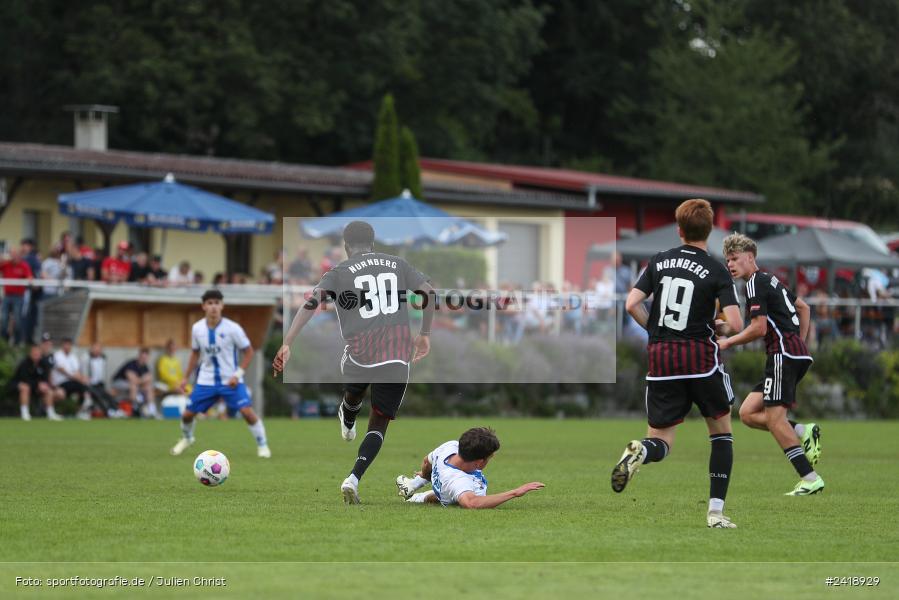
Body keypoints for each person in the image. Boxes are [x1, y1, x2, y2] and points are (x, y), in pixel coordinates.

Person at [273, 221, 436, 504]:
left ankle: (348, 412)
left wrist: (288, 341)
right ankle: (353, 478)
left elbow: (312, 302)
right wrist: (424, 334)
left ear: (346, 247)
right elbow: (430, 294)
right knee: (379, 422)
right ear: (372, 244)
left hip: (360, 354)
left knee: (356, 389)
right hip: (397, 355)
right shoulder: (398, 263)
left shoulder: (339, 271)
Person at [610, 199, 745, 529]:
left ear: (679, 230)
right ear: (709, 230)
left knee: (661, 441)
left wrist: (654, 330)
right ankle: (715, 513)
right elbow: (738, 324)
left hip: (662, 359)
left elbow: (631, 304)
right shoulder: (716, 269)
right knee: (721, 434)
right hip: (700, 361)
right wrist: (720, 325)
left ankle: (641, 450)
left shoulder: (658, 261)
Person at [720, 233, 823, 496]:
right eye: (727, 260)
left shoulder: (755, 282)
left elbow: (758, 328)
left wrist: (728, 342)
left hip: (783, 355)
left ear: (750, 257)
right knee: (747, 412)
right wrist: (798, 344)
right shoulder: (771, 280)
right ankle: (803, 430)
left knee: (776, 421)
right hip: (791, 354)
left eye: (734, 258)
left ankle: (810, 478)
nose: (730, 264)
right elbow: (804, 309)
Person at [170, 289, 270, 458]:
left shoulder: (233, 328)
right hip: (206, 380)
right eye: (210, 303)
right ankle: (187, 438)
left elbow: (249, 351)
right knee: (187, 414)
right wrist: (185, 378)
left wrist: (237, 375)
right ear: (203, 306)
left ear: (222, 306)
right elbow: (195, 353)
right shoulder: (197, 328)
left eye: (217, 303)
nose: (213, 307)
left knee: (247, 412)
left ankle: (263, 445)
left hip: (230, 380)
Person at [395, 427, 544, 508]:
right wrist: (515, 492)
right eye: (490, 457)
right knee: (457, 496)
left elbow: (427, 462)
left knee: (442, 491)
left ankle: (413, 486)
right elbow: (471, 503)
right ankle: (417, 494)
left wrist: (423, 478)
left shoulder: (450, 447)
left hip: (442, 485)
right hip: (447, 491)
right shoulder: (459, 481)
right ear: (479, 462)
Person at [8, 344, 63, 421]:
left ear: (40, 353)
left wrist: (44, 385)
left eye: (37, 352)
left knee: (49, 391)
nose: (36, 354)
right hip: (18, 385)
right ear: (30, 353)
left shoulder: (44, 363)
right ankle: (25, 413)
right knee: (25, 388)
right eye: (34, 352)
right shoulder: (24, 363)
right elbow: (25, 380)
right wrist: (38, 384)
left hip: (35, 387)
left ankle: (51, 413)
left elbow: (45, 378)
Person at [112, 348, 160, 419]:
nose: (143, 359)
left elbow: (149, 379)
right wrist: (143, 379)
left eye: (145, 358)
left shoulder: (145, 367)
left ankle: (152, 410)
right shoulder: (131, 364)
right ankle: (134, 409)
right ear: (139, 356)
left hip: (133, 384)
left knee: (148, 387)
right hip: (119, 382)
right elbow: (133, 379)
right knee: (133, 386)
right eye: (142, 357)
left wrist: (142, 380)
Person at [0, 247, 34, 345]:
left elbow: (29, 276)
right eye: (12, 254)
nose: (13, 257)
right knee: (4, 319)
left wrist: (30, 279)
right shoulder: (6, 264)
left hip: (18, 297)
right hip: (7, 296)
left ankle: (17, 342)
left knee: (17, 320)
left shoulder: (24, 265)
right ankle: (3, 342)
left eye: (15, 254)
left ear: (19, 256)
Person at [50, 337, 92, 408]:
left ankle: (81, 408)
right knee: (81, 386)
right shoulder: (57, 355)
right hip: (60, 382)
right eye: (66, 345)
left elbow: (77, 371)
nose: (67, 347)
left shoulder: (73, 357)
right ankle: (87, 397)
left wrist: (82, 378)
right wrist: (77, 378)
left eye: (69, 345)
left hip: (72, 382)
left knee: (83, 385)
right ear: (62, 345)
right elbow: (62, 370)